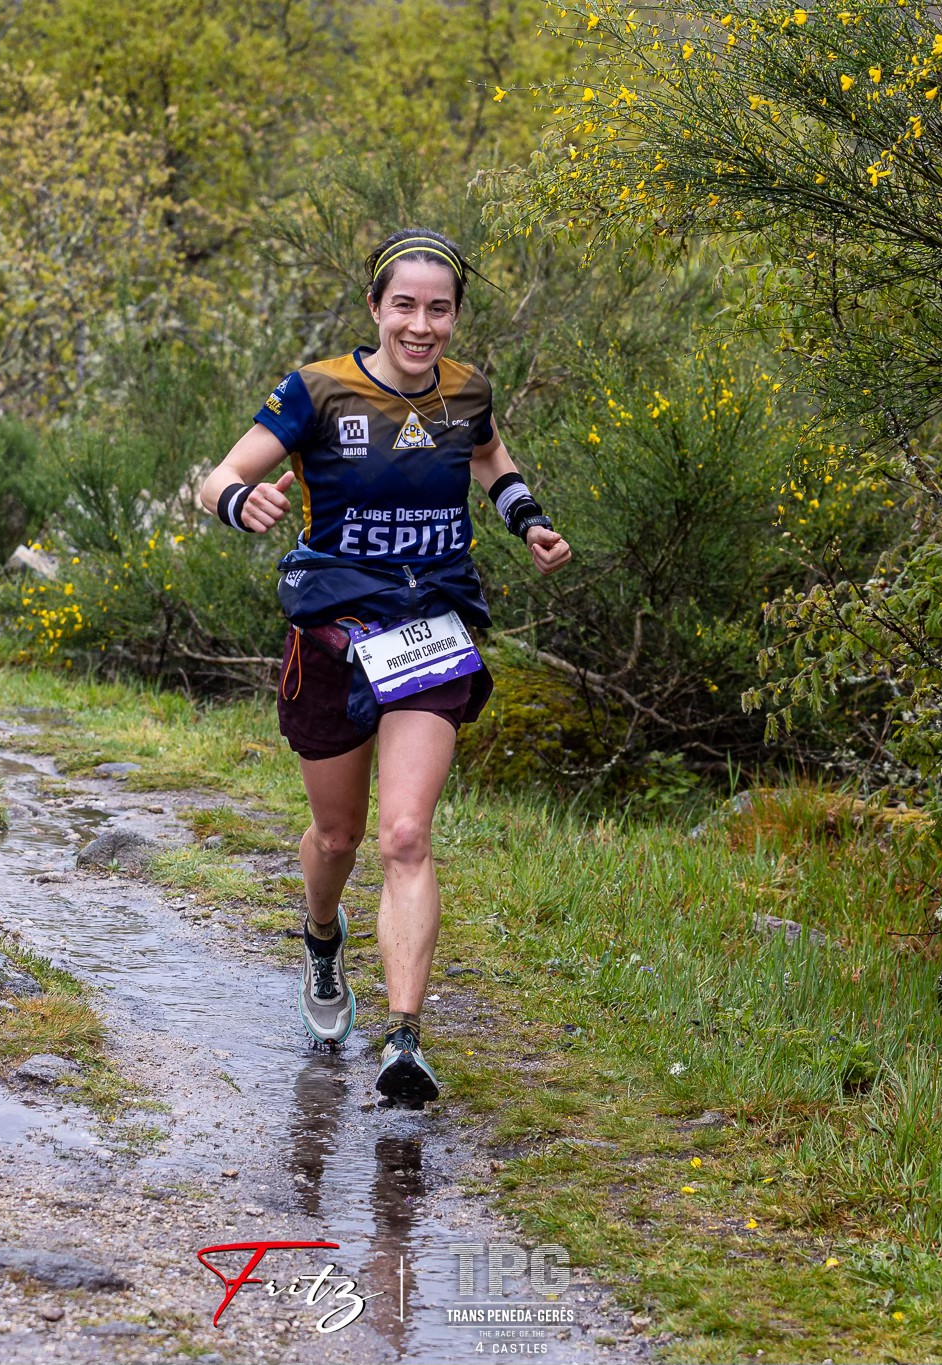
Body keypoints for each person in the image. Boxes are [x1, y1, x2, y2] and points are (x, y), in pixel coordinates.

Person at [196, 227, 571, 1106]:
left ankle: (404, 1040)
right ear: (375, 308)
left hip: (430, 626)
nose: (422, 324)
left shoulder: (468, 390)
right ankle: (322, 937)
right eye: (405, 305)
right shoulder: (318, 390)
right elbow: (214, 477)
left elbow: (486, 455)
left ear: (454, 317)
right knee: (339, 838)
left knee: (405, 833)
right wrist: (242, 500)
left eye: (439, 309)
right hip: (333, 629)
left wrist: (528, 520)